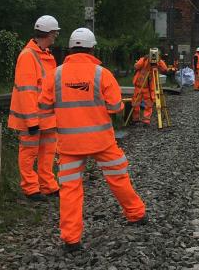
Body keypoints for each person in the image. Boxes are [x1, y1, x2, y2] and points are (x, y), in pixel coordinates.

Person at [38, 28, 146, 253]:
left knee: (70, 189)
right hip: (102, 142)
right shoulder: (102, 74)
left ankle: (71, 239)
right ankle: (136, 215)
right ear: (92, 48)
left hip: (69, 144)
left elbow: (44, 106)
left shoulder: (55, 75)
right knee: (118, 178)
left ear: (70, 48)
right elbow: (116, 107)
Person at [7, 15, 60, 201]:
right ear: (50, 34)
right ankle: (31, 189)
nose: (56, 38)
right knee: (29, 152)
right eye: (55, 34)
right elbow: (26, 91)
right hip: (34, 118)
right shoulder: (28, 56)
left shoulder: (45, 56)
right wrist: (31, 122)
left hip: (47, 117)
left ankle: (48, 185)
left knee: (48, 152)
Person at [130, 48, 170, 126]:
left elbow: (165, 69)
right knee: (135, 103)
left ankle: (146, 120)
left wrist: (159, 60)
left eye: (156, 54)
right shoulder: (144, 60)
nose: (153, 56)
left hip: (148, 88)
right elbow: (136, 66)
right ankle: (135, 119)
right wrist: (145, 58)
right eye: (153, 54)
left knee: (149, 104)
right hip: (139, 86)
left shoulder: (158, 61)